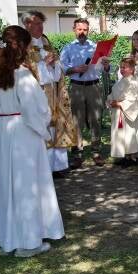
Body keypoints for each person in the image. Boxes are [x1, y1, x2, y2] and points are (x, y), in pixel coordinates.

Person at [0, 26, 65, 257]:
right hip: (22, 132)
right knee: (26, 183)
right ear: (21, 47)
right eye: (28, 45)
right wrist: (44, 127)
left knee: (5, 184)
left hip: (1, 130)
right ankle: (28, 241)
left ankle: (6, 237)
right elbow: (35, 109)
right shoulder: (21, 74)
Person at [22, 11, 80, 176]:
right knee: (44, 127)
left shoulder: (46, 41)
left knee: (56, 125)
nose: (40, 27)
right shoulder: (24, 46)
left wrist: (54, 65)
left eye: (41, 23)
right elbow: (28, 71)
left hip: (54, 92)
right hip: (38, 93)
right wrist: (44, 65)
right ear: (27, 25)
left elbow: (58, 71)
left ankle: (59, 166)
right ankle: (44, 166)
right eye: (36, 23)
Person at [60, 18, 111, 166]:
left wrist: (106, 66)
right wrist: (75, 69)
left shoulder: (96, 47)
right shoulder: (67, 48)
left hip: (94, 87)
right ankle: (77, 153)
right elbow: (62, 69)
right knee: (77, 120)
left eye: (85, 30)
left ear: (88, 30)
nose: (82, 32)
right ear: (74, 30)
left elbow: (104, 70)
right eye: (79, 29)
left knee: (95, 119)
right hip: (76, 87)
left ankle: (96, 151)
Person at [107, 57, 138, 166]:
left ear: (132, 69)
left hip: (128, 113)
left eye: (124, 67)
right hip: (119, 113)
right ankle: (124, 154)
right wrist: (110, 101)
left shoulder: (135, 83)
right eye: (121, 67)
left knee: (130, 133)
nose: (122, 69)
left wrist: (120, 104)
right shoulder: (119, 82)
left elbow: (134, 100)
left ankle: (132, 156)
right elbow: (112, 94)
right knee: (121, 133)